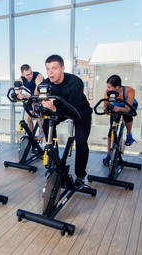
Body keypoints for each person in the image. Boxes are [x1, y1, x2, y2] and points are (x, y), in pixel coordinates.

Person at [39, 54, 93, 187]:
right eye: (48, 69)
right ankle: (56, 161)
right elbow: (40, 100)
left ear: (62, 68)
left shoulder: (75, 82)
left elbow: (72, 108)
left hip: (80, 111)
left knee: (80, 142)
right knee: (47, 123)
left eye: (54, 68)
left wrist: (54, 107)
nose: (50, 72)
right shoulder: (45, 83)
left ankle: (80, 176)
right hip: (60, 109)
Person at [102, 74, 138, 166]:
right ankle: (108, 154)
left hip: (129, 106)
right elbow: (106, 108)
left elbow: (127, 109)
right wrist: (107, 110)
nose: (107, 89)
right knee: (111, 130)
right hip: (116, 107)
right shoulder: (108, 92)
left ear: (117, 87)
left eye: (109, 87)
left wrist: (120, 109)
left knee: (127, 116)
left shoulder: (129, 91)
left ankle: (129, 134)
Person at [18, 64, 45, 139]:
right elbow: (18, 92)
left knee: (34, 105)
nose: (30, 76)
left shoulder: (38, 76)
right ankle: (31, 135)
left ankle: (41, 130)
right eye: (27, 75)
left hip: (43, 97)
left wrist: (25, 96)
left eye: (31, 73)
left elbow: (36, 95)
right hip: (32, 98)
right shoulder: (21, 79)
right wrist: (18, 95)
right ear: (23, 74)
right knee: (28, 119)